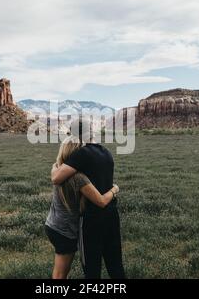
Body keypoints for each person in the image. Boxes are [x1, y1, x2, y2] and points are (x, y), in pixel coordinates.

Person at [51, 118, 126, 279]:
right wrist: (115, 188)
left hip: (92, 219)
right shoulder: (106, 152)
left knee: (92, 268)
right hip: (112, 215)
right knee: (116, 265)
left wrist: (55, 166)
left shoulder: (80, 154)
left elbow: (56, 178)